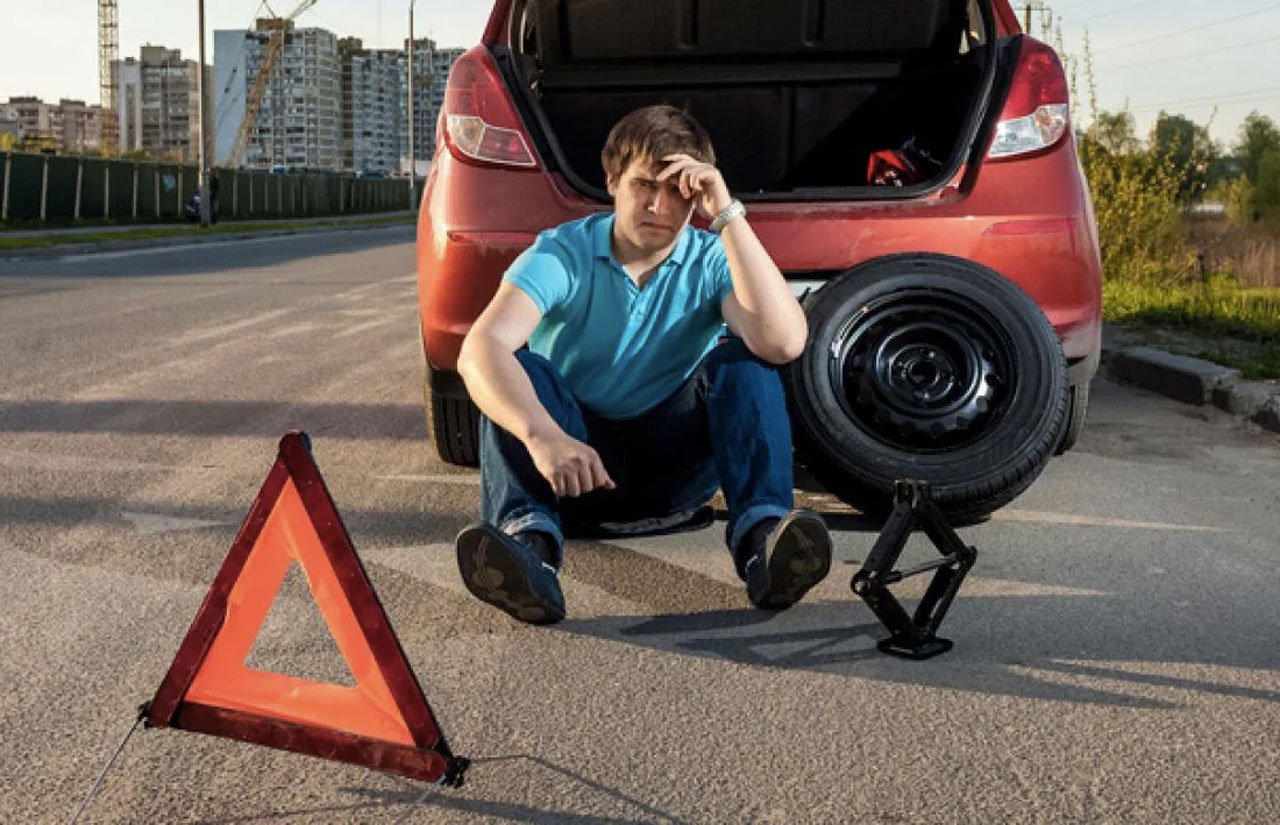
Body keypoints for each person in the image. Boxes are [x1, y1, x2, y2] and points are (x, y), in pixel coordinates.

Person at [454, 104, 832, 625]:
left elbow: (784, 343)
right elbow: (480, 348)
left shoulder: (711, 257)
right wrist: (543, 435)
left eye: (678, 191)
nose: (658, 205)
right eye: (643, 185)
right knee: (518, 367)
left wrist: (726, 214)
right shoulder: (564, 253)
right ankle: (530, 554)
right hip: (572, 474)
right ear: (612, 180)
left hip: (673, 480)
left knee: (742, 360)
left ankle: (763, 544)